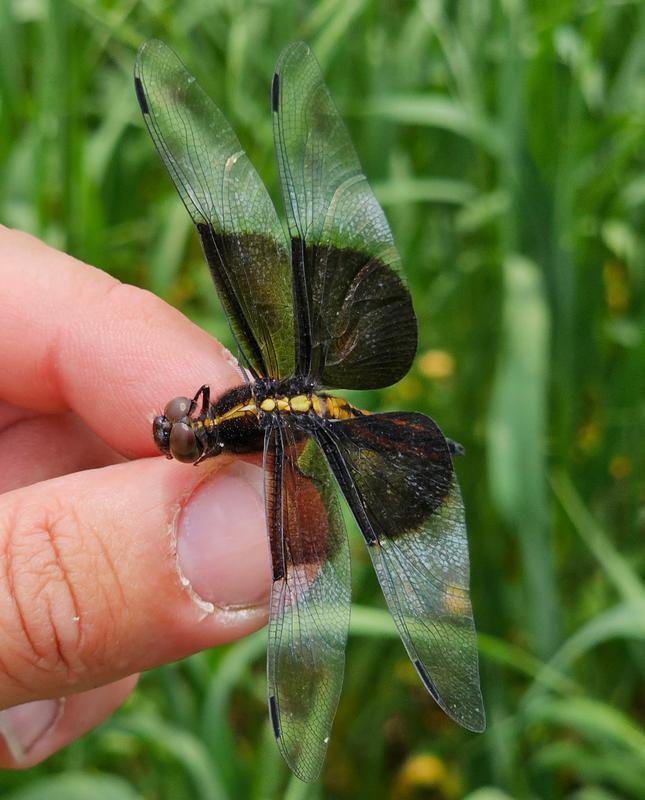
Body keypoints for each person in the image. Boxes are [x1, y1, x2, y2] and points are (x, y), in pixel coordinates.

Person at [0, 226, 271, 767]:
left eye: (184, 436)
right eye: (182, 423)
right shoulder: (214, 413)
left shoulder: (221, 431)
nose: (176, 427)